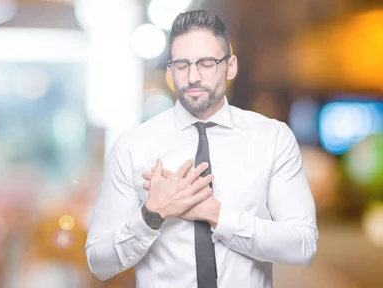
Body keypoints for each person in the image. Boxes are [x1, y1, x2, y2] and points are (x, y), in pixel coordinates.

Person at [84, 9, 318, 288]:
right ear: (170, 70)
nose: (193, 76)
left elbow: (303, 246)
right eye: (182, 64)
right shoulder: (132, 147)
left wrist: (215, 214)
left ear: (230, 66)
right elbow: (99, 263)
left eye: (206, 63)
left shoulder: (273, 139)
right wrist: (152, 214)